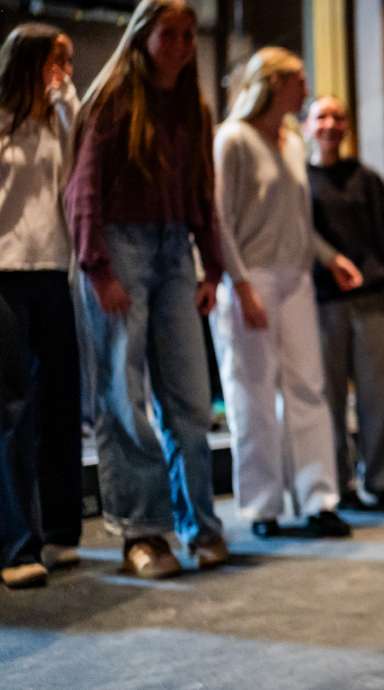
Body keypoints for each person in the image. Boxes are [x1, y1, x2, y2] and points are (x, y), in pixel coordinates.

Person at [66, 0, 227, 578]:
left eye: (188, 35)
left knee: (188, 395)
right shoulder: (113, 100)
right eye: (170, 34)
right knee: (122, 395)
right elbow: (81, 191)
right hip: (118, 248)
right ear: (142, 35)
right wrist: (98, 268)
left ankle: (200, 525)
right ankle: (143, 533)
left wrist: (213, 266)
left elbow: (203, 194)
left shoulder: (192, 107)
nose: (183, 45)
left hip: (173, 250)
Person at [212, 47, 359, 539]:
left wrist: (328, 257)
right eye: (299, 80)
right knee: (251, 391)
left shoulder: (293, 140)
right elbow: (219, 220)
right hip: (249, 277)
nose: (306, 88)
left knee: (307, 388)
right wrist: (240, 283)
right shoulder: (232, 139)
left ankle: (319, 499)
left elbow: (298, 220)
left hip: (296, 278)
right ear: (274, 84)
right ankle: (261, 507)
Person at [0, 23, 80, 589]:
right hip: (3, 274)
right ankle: (15, 544)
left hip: (54, 270)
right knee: (13, 409)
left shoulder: (59, 119)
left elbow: (80, 178)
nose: (65, 71)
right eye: (57, 61)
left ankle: (60, 532)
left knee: (59, 401)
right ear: (27, 62)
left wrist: (66, 103)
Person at [304, 95, 384, 511]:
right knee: (328, 397)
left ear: (347, 126)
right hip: (322, 300)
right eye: (321, 116)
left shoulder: (367, 178)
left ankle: (381, 481)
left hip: (370, 297)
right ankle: (339, 483)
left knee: (377, 395)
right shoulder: (299, 180)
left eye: (338, 117)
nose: (330, 124)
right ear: (308, 125)